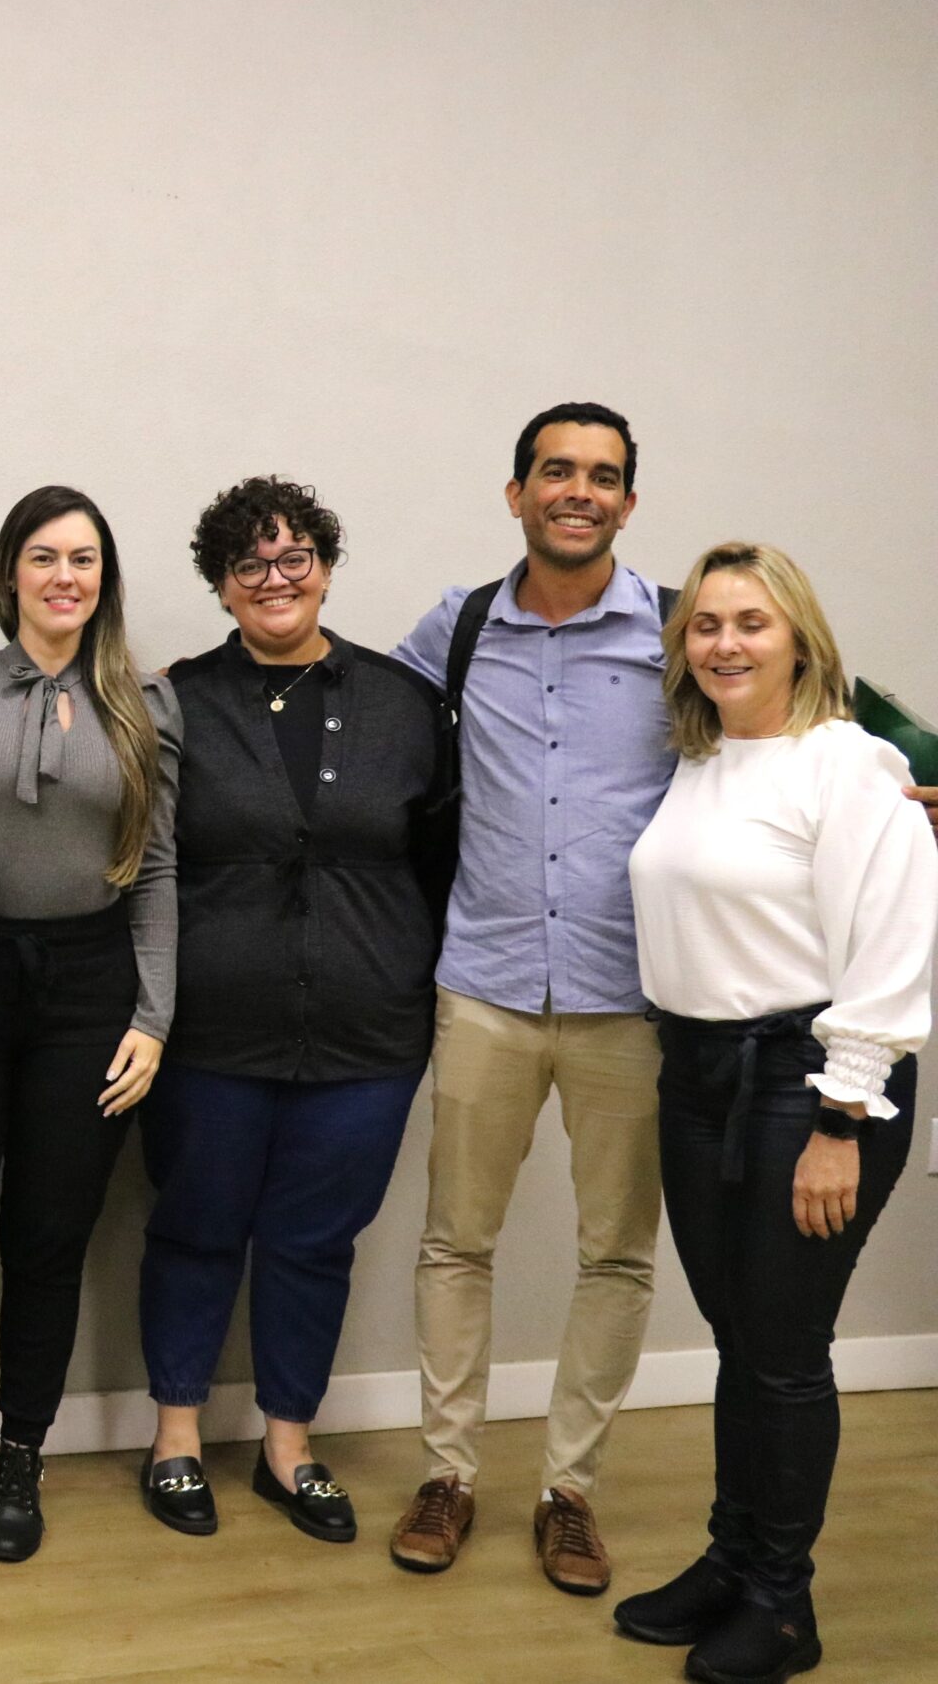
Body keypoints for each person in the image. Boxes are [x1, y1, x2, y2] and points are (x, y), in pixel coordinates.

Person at [618, 543, 933, 1684]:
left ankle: (783, 1605)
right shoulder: (701, 763)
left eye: (750, 622)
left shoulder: (845, 765)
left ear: (796, 635)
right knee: (739, 1343)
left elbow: (894, 949)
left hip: (809, 1082)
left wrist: (840, 1121)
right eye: (704, 624)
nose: (724, 644)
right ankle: (731, 1560)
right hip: (697, 1076)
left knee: (785, 1351)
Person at [383, 403, 672, 1594]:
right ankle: (448, 1473)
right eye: (556, 471)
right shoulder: (454, 632)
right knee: (456, 1243)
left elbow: (782, 715)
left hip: (633, 998)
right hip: (487, 987)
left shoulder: (671, 629)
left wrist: (893, 776)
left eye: (602, 477)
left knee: (617, 1254)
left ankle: (570, 1492)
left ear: (626, 504)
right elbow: (341, 700)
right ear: (516, 493)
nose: (578, 491)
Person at [134, 478, 448, 1547]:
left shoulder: (405, 705)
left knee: (315, 1242)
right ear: (221, 587)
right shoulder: (175, 699)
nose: (276, 581)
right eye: (250, 566)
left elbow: (445, 865)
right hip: (211, 1038)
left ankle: (287, 1446)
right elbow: (141, 866)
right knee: (194, 1230)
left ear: (325, 563)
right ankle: (176, 1439)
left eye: (295, 557)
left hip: (368, 1039)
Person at [0, 485, 177, 1563]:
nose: (65, 576)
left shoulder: (145, 702)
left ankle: (18, 1459)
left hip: (90, 992)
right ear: (10, 570)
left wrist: (153, 1014)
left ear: (105, 577)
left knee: (50, 1242)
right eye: (44, 556)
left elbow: (157, 869)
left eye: (85, 559)